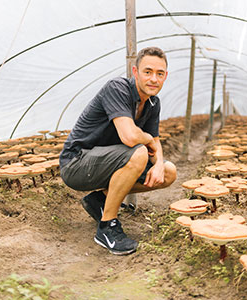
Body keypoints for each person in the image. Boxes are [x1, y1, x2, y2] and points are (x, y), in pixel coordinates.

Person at [59, 46, 177, 255]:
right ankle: (107, 228)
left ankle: (100, 200)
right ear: (135, 72)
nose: (153, 79)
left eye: (159, 74)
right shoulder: (117, 88)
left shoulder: (152, 103)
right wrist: (147, 138)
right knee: (139, 151)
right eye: (147, 72)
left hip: (105, 163)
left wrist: (158, 164)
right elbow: (131, 137)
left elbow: (156, 142)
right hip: (77, 163)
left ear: (165, 76)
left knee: (168, 173)